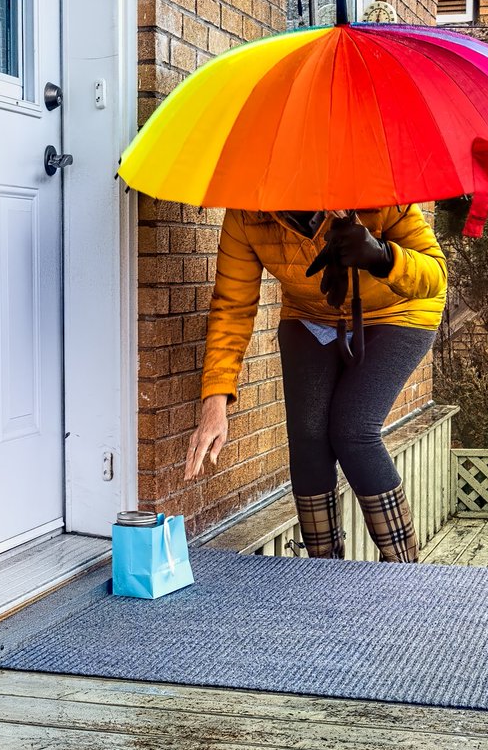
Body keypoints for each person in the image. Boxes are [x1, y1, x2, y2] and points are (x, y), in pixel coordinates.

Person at [185, 203, 448, 562]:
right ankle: (322, 572)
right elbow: (232, 307)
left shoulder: (378, 194)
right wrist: (214, 402)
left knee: (353, 430)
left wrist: (382, 256)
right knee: (308, 437)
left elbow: (436, 275)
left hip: (399, 310)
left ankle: (405, 571)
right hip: (311, 313)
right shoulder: (246, 214)